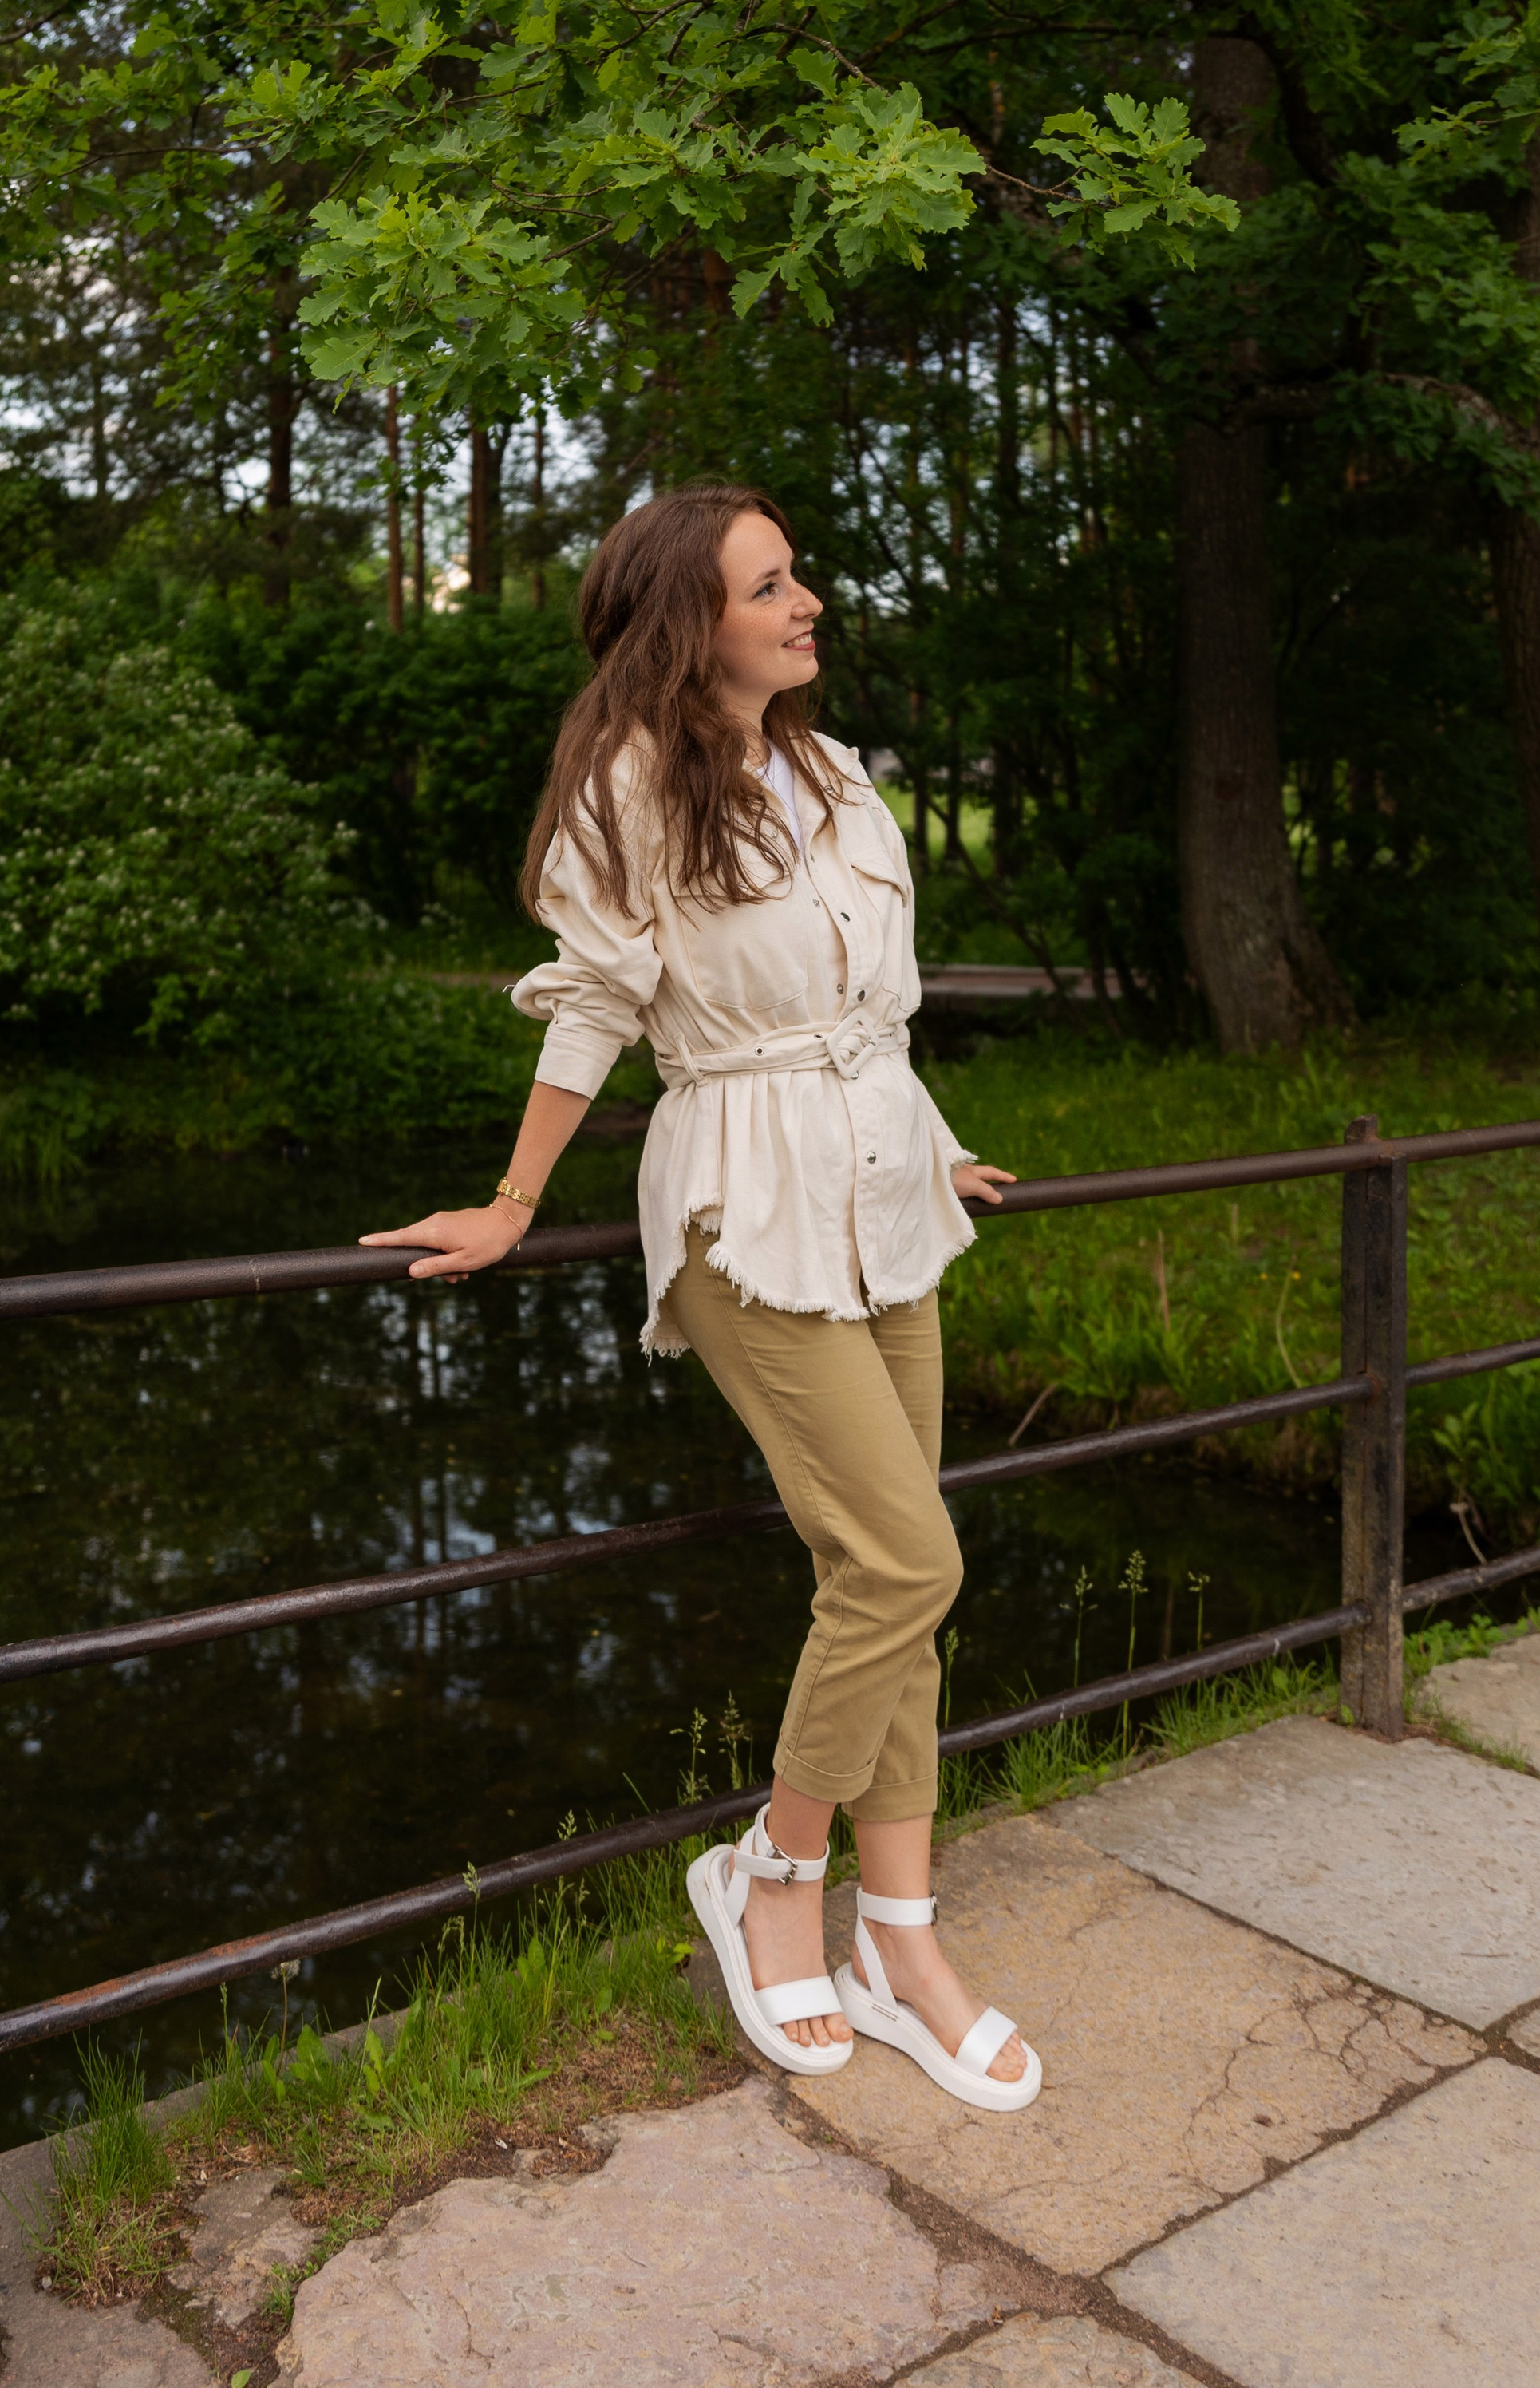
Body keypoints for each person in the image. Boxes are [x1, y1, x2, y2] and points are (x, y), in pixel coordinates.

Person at [360, 482, 1039, 2111]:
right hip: (750, 1208)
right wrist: (516, 1200)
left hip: (887, 1195)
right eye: (768, 585)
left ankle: (903, 1944)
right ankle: (769, 1883)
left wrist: (931, 1147)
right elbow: (597, 1003)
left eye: (797, 576)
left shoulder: (832, 772)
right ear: (690, 623)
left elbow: (862, 1016)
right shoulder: (628, 789)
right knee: (906, 1559)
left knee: (889, 1585)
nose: (807, 603)